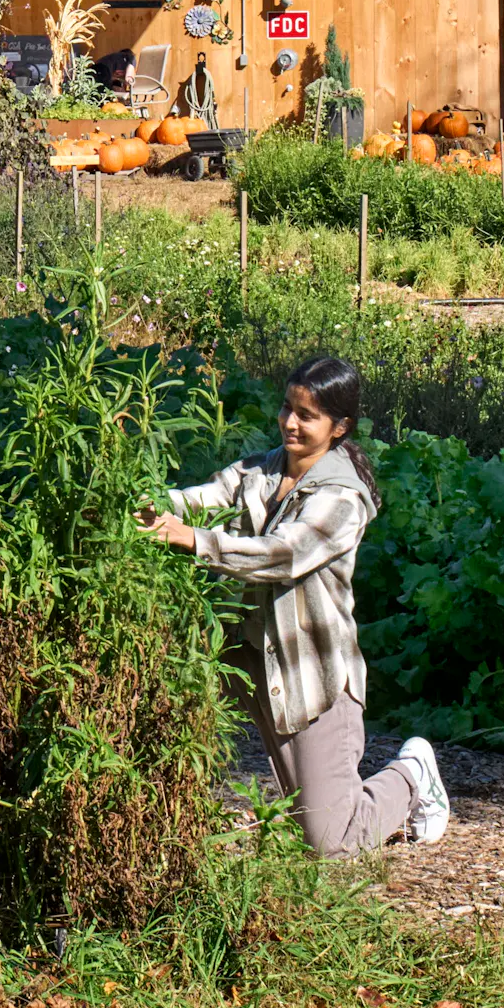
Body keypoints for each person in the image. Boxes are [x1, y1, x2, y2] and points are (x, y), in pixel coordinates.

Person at [140, 354, 451, 859]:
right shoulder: (259, 472)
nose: (290, 423)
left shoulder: (343, 498)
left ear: (340, 427)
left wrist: (196, 541)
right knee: (162, 708)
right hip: (244, 655)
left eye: (307, 415)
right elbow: (197, 499)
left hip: (309, 672)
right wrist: (142, 503)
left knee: (332, 842)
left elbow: (283, 555)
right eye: (287, 408)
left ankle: (412, 777)